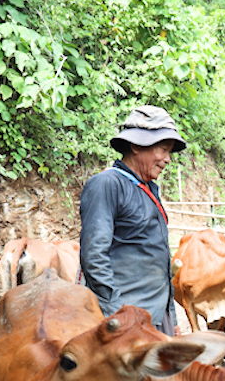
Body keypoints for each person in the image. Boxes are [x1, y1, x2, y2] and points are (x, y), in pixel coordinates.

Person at [79, 106, 184, 335]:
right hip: (127, 319)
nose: (167, 159)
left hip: (154, 316)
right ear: (136, 145)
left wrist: (171, 318)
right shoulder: (107, 185)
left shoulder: (147, 189)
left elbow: (159, 259)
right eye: (164, 149)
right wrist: (118, 315)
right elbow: (94, 255)